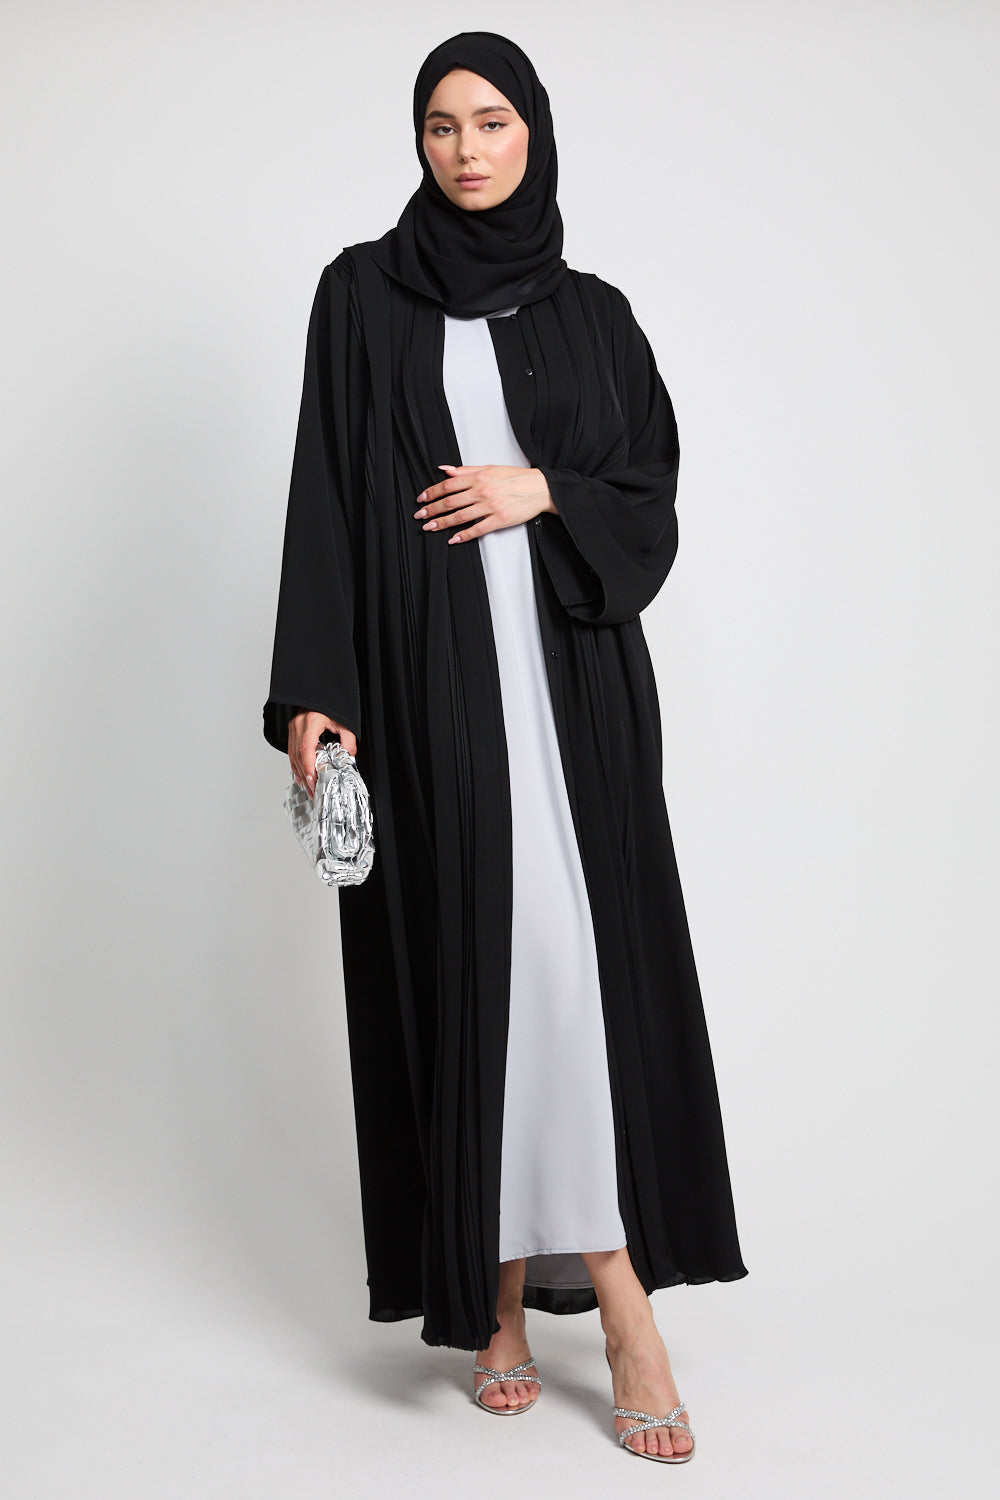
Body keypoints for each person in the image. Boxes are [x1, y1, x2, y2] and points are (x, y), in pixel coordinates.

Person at [262, 30, 748, 1463]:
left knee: (577, 976)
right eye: (440, 125)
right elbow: (324, 493)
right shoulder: (362, 295)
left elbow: (647, 498)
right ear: (417, 143)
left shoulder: (595, 315)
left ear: (533, 131)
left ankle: (620, 1297)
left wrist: (546, 490)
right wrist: (315, 686)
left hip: (574, 697)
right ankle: (494, 1299)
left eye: (491, 121)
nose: (467, 149)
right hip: (430, 695)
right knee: (475, 967)